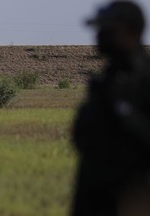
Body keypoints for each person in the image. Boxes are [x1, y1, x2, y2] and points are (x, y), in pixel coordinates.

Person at [71, 1, 150, 216]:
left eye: (107, 30)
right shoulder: (106, 81)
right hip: (93, 198)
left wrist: (122, 110)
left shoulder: (143, 82)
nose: (99, 36)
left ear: (132, 31)